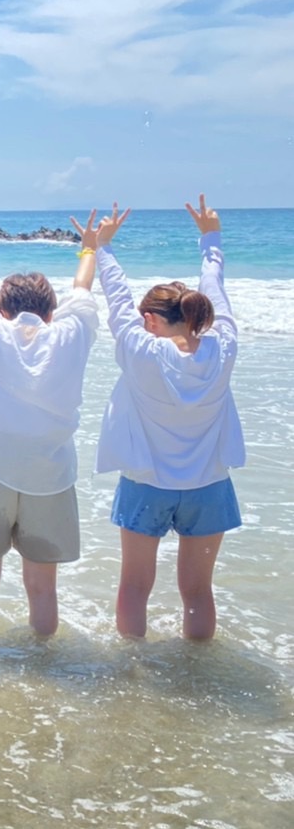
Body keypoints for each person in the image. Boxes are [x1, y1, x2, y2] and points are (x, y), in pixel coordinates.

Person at [0, 209, 119, 635]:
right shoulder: (71, 333)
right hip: (51, 472)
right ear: (51, 312)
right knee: (43, 589)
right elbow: (82, 289)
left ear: (2, 308)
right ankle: (43, 663)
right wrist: (90, 247)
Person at [97, 194, 243, 640]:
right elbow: (215, 291)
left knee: (134, 587)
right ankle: (196, 667)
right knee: (198, 591)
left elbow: (116, 297)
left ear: (150, 320)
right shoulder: (223, 347)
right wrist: (210, 240)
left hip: (146, 483)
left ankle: (133, 667)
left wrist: (102, 247)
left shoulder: (141, 351)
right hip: (208, 485)